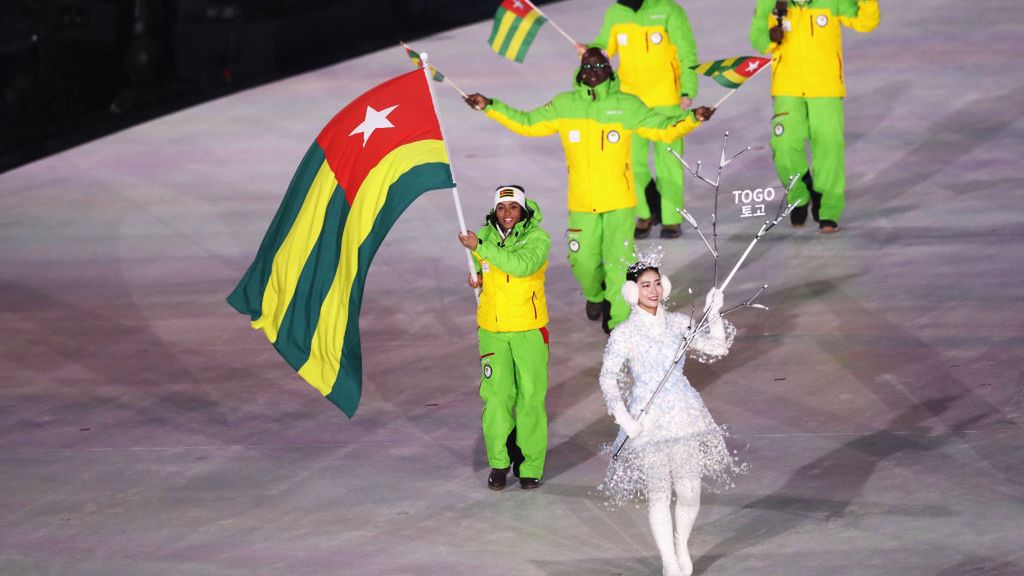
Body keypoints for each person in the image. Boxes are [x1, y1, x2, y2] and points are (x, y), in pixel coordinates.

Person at [464, 48, 714, 333]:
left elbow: (662, 128)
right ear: (580, 71)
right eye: (588, 65)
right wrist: (490, 105)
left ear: (610, 69)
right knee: (583, 262)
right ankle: (595, 295)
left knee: (618, 265)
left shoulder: (627, 105)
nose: (593, 69)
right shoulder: (565, 105)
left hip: (620, 202)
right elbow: (527, 123)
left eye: (599, 64)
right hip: (582, 204)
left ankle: (618, 325)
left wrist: (694, 117)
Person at [598, 256, 742, 576]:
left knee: (690, 493)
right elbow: (607, 378)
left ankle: (681, 543)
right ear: (631, 291)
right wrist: (625, 419)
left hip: (684, 416)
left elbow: (716, 348)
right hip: (647, 423)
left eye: (657, 283)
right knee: (660, 495)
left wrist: (714, 314)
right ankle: (668, 560)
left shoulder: (679, 322)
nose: (653, 289)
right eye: (644, 285)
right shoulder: (624, 334)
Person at [749, 0, 880, 233]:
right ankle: (798, 195)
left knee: (828, 149)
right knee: (784, 146)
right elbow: (758, 38)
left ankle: (828, 209)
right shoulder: (772, 2)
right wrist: (770, 35)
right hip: (787, 88)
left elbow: (867, 21)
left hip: (826, 87)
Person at [458, 185, 551, 490]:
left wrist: (480, 249)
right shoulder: (482, 237)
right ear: (494, 211)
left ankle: (530, 465)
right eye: (502, 207)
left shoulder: (538, 238)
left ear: (523, 210)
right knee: (496, 399)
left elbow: (522, 266)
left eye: (513, 207)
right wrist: (477, 276)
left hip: (528, 329)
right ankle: (499, 462)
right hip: (492, 330)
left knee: (530, 400)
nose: (507, 213)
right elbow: (484, 270)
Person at [585, 0, 700, 239]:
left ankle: (671, 218)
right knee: (631, 162)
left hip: (667, 99)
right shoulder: (616, 13)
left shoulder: (669, 11)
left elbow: (686, 49)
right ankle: (646, 212)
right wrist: (592, 51)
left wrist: (688, 90)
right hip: (630, 103)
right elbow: (605, 45)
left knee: (668, 161)